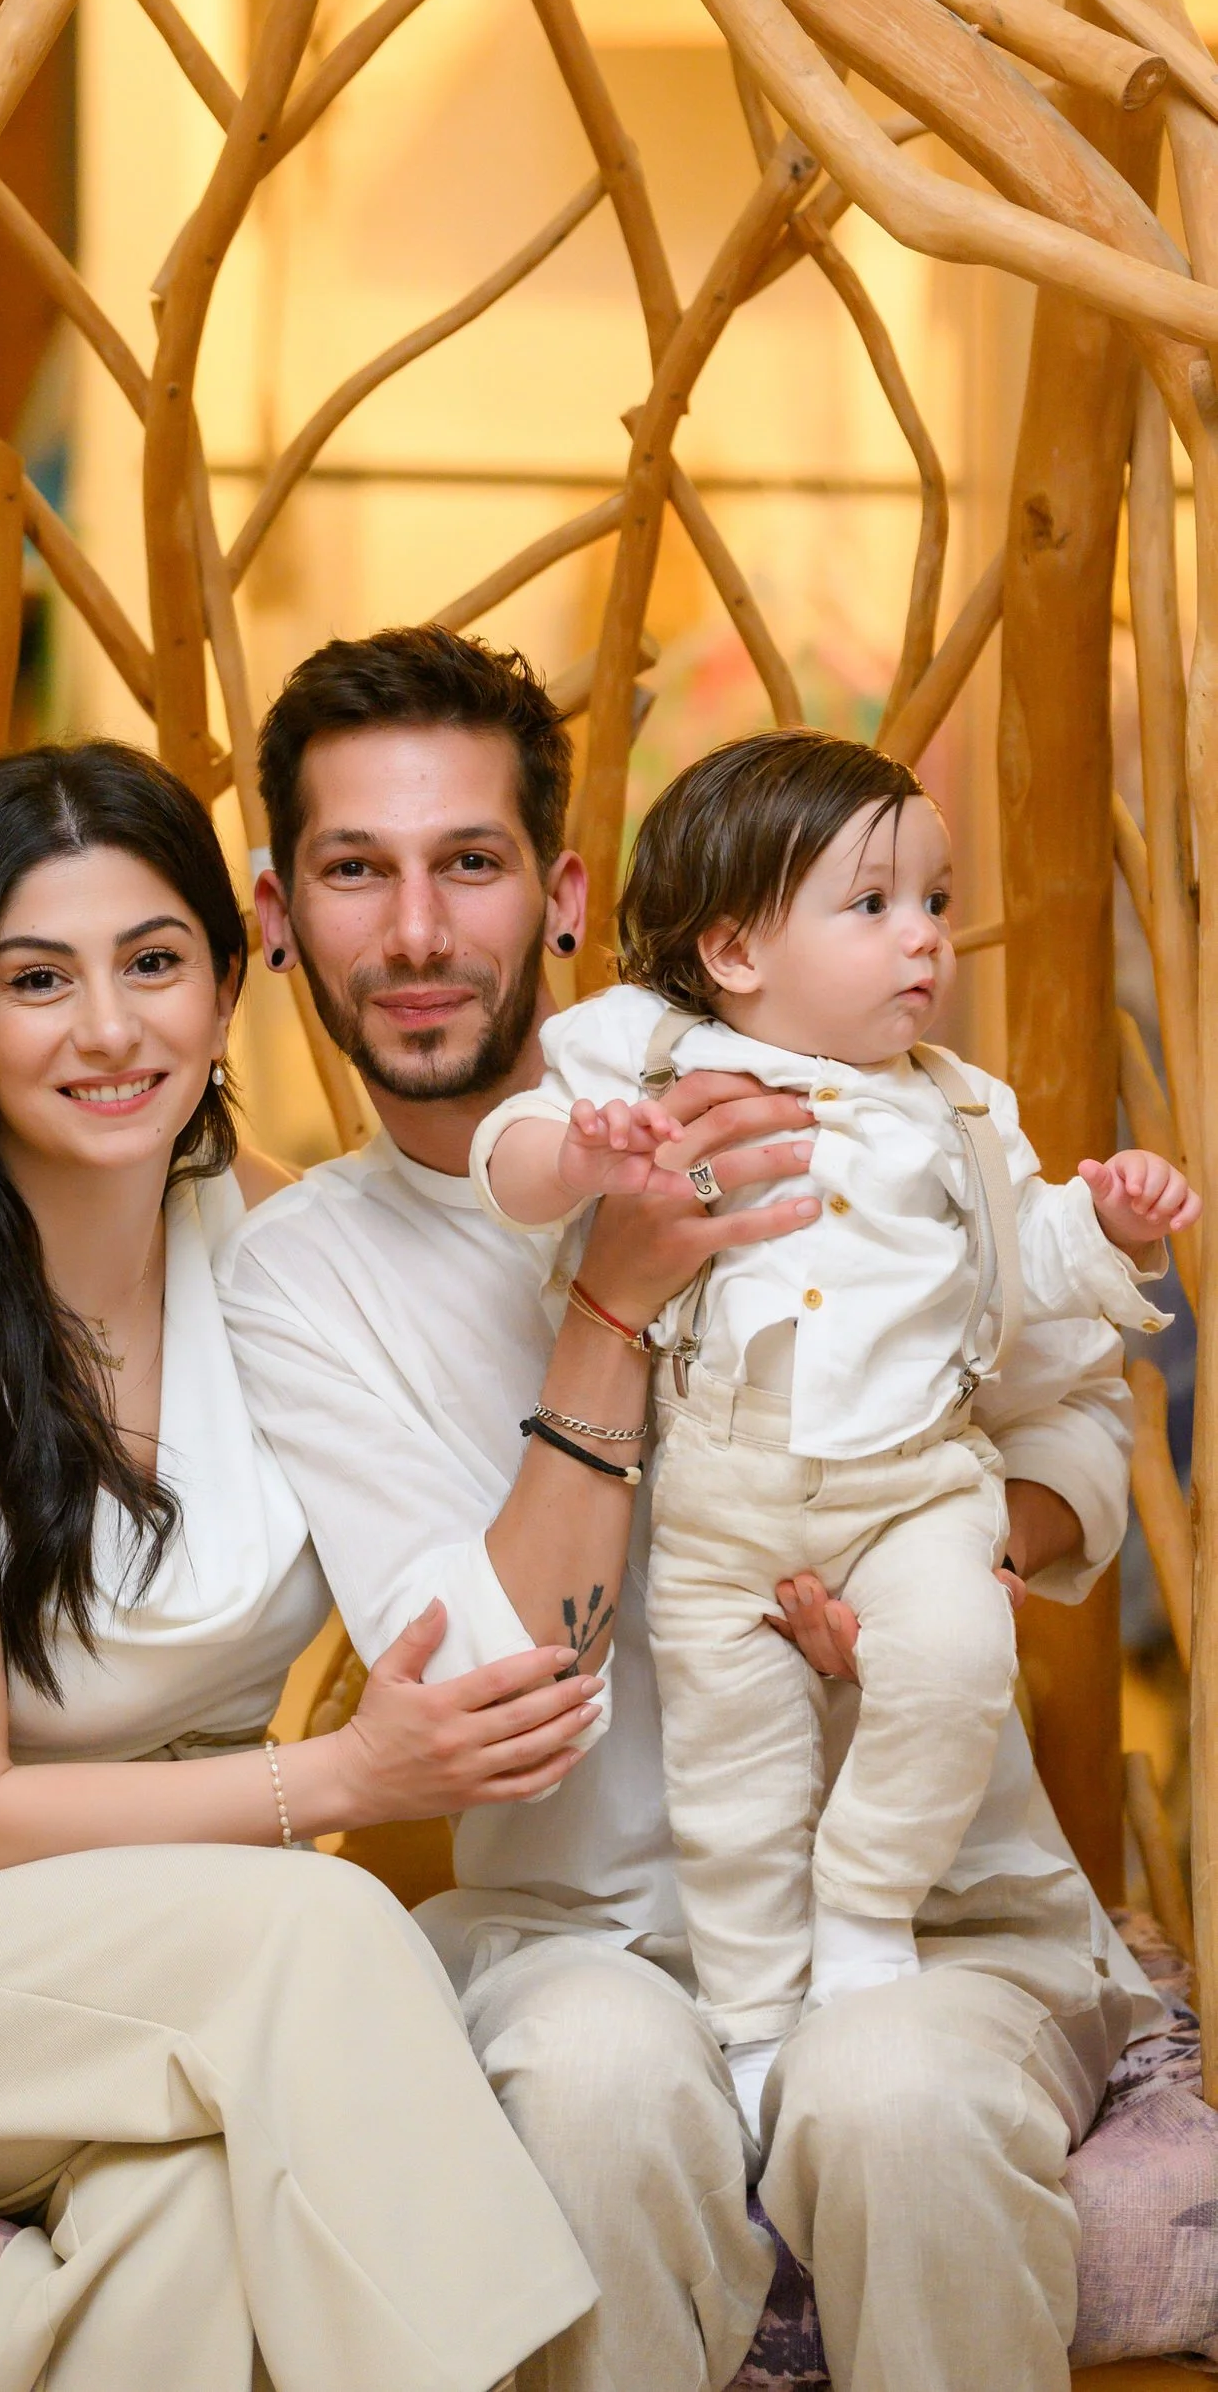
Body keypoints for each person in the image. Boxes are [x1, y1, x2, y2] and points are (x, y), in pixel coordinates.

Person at [216, 625, 1164, 2392]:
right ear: (278, 914)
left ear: (562, 892)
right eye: (356, 871)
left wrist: (975, 1542)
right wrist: (612, 1306)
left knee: (895, 2103)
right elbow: (497, 1693)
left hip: (940, 1902)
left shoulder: (838, 1105)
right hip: (576, 1927)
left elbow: (1063, 1403)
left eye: (469, 864)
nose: (417, 932)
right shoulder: (302, 1275)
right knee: (589, 2094)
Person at [0, 742, 601, 2392]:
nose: (108, 1030)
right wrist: (346, 1773)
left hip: (156, 1947)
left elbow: (484, 1544)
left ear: (232, 980)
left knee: (181, 2214)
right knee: (320, 1936)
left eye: (153, 964)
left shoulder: (288, 1256)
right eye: (38, 979)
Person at [469, 727, 1193, 2133]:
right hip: (724, 1508)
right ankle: (748, 2029)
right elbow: (516, 1151)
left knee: (952, 1662)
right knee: (729, 1768)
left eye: (930, 901)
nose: (922, 939)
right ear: (734, 949)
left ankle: (865, 1913)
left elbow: (1026, 1286)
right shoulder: (649, 1050)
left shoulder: (962, 1115)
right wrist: (587, 1156)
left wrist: (1100, 1225)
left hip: (916, 1493)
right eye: (871, 906)